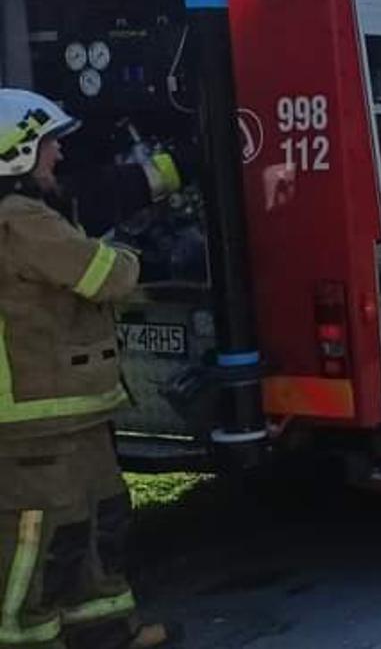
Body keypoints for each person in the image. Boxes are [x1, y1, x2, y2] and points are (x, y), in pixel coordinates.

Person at [0, 89, 177, 649]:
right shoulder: (19, 219)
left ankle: (104, 633)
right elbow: (109, 277)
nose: (57, 155)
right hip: (33, 416)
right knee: (40, 538)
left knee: (96, 521)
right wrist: (126, 252)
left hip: (69, 412)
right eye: (49, 143)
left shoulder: (29, 217)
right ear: (16, 152)